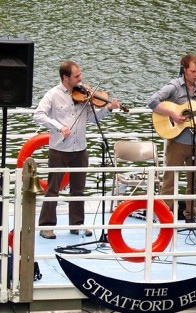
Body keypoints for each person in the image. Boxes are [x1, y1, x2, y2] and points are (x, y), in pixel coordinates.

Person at [33, 61, 122, 239]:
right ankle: (46, 226)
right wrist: (59, 127)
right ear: (66, 77)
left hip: (80, 148)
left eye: (80, 75)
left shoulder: (83, 93)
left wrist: (108, 108)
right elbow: (38, 115)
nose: (81, 79)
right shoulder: (53, 95)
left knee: (78, 189)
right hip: (59, 148)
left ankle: (77, 224)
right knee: (53, 188)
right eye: (76, 76)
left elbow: (90, 116)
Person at [147, 54, 196, 223]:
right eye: (193, 71)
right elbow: (152, 101)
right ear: (184, 70)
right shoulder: (174, 87)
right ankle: (164, 215)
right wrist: (173, 114)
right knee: (170, 180)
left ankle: (191, 216)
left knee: (194, 182)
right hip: (176, 141)